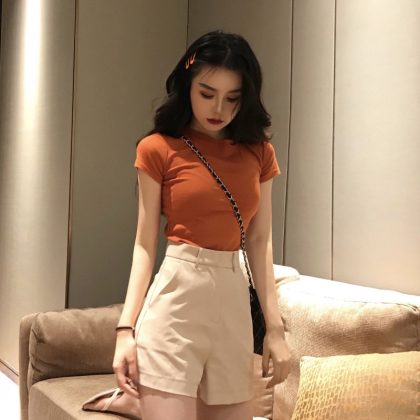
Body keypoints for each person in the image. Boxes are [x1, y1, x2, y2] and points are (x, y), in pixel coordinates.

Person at [82, 29, 291, 420]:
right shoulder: (158, 148)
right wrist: (125, 330)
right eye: (207, 93)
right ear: (187, 84)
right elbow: (144, 244)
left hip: (232, 305)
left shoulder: (259, 153)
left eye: (233, 98)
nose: (218, 108)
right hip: (177, 299)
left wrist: (275, 331)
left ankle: (133, 403)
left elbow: (260, 240)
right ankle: (139, 399)